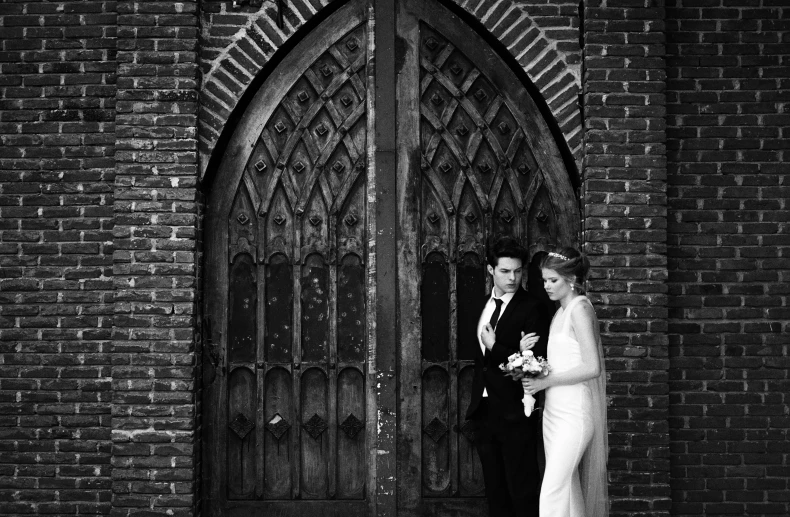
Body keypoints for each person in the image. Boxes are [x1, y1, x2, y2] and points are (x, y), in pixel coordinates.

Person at [464, 237, 550, 517]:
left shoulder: (532, 307)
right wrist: (512, 350)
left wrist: (496, 347)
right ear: (490, 270)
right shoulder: (481, 304)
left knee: (522, 490)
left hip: (516, 411)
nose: (512, 278)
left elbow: (533, 362)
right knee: (495, 490)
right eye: (504, 271)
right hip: (484, 410)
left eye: (517, 271)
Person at [521, 248, 609, 517]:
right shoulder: (560, 312)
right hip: (554, 414)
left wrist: (545, 381)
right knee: (567, 490)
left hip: (575, 415)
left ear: (571, 278)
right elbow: (564, 360)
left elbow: (592, 366)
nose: (546, 286)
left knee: (552, 490)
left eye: (553, 280)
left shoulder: (580, 310)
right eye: (545, 280)